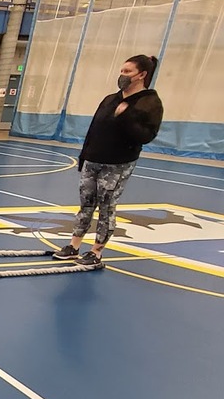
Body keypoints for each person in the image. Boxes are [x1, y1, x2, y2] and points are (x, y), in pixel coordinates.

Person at [52, 53, 163, 267]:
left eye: (128, 72)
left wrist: (127, 116)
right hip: (93, 160)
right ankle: (73, 246)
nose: (123, 75)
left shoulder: (149, 102)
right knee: (85, 205)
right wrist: (84, 156)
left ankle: (96, 251)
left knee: (106, 207)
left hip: (117, 164)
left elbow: (146, 136)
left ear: (142, 75)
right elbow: (95, 128)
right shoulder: (110, 99)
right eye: (122, 71)